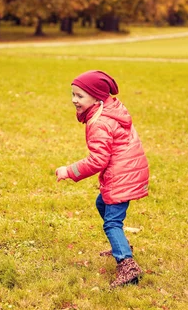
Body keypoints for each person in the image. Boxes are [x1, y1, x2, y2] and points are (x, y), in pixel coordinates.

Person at [56, 70, 149, 288]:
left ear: (97, 97)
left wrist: (69, 171)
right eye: (73, 94)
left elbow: (98, 160)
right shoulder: (110, 108)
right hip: (127, 170)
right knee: (102, 204)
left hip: (122, 175)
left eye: (80, 96)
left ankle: (127, 264)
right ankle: (121, 246)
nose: (74, 100)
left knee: (111, 222)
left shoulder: (100, 122)